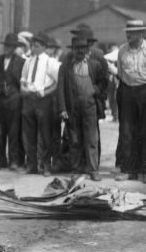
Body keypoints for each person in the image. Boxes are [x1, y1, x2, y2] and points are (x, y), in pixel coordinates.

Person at [57, 34, 108, 181]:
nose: (79, 51)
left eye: (82, 48)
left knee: (91, 139)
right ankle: (76, 169)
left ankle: (93, 170)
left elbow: (104, 83)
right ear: (72, 50)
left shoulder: (94, 65)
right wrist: (62, 108)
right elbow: (60, 89)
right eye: (76, 48)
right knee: (75, 139)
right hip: (72, 107)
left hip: (89, 107)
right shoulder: (65, 68)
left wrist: (95, 90)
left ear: (87, 49)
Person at [19, 32, 60, 176]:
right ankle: (32, 165)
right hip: (29, 100)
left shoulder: (50, 62)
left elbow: (57, 82)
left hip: (43, 101)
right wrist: (24, 89)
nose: (33, 48)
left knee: (44, 135)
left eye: (36, 46)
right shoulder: (28, 61)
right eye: (32, 45)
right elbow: (23, 80)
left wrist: (45, 92)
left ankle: (46, 165)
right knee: (28, 134)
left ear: (43, 47)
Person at [115, 20, 146, 182]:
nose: (128, 35)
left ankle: (143, 171)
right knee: (127, 131)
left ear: (141, 33)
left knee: (144, 131)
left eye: (132, 32)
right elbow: (120, 72)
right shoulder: (122, 50)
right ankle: (128, 169)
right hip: (127, 91)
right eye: (127, 32)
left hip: (144, 91)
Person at [0, 33, 25, 170]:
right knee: (0, 130)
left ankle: (14, 161)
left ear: (15, 48)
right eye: (6, 46)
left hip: (14, 100)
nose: (7, 48)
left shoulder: (21, 62)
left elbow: (21, 82)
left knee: (14, 131)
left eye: (10, 46)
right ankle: (0, 160)